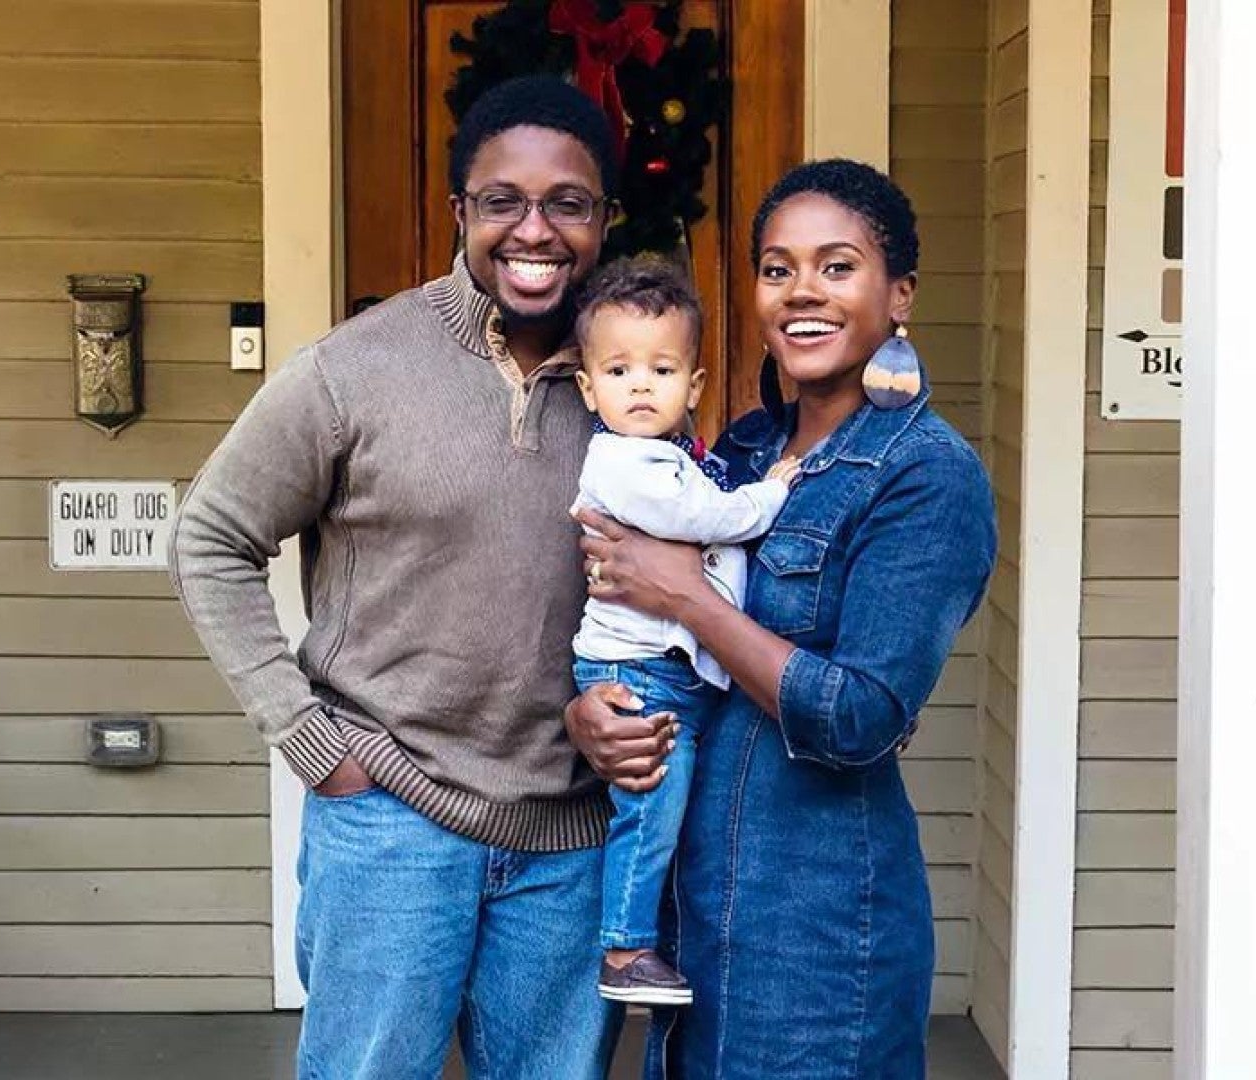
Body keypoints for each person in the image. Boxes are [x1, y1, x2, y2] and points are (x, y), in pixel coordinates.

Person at [171, 75, 625, 1079]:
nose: (534, 229)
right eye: (502, 200)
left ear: (604, 220)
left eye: (568, 203)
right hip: (393, 818)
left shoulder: (634, 380)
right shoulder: (356, 371)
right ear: (460, 211)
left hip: (572, 841)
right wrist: (306, 736)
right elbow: (209, 537)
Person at [565, 159, 998, 1078]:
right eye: (776, 268)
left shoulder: (929, 475)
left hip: (818, 932)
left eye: (838, 267)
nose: (802, 291)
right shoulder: (740, 451)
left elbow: (858, 716)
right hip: (693, 913)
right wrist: (595, 710)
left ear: (900, 295)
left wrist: (681, 594)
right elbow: (646, 627)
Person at [566, 255, 799, 1006]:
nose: (640, 385)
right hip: (641, 668)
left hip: (666, 663)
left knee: (669, 807)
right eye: (620, 369)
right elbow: (698, 521)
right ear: (588, 387)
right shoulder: (627, 462)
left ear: (693, 387)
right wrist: (771, 497)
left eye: (662, 370)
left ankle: (647, 937)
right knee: (651, 806)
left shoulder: (673, 457)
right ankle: (627, 951)